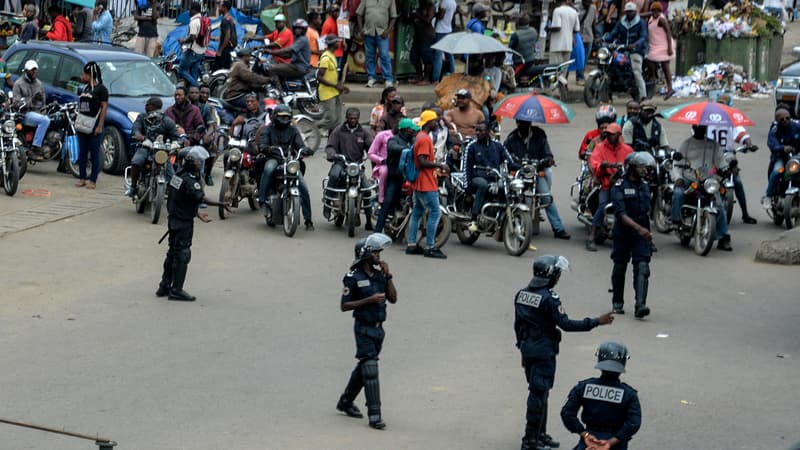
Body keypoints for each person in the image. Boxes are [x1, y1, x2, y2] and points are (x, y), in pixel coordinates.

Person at [514, 255, 614, 450]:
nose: (559, 277)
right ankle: (530, 440)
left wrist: (522, 351)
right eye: (558, 273)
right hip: (543, 352)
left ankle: (540, 435)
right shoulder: (550, 299)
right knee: (538, 394)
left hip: (529, 349)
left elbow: (518, 327)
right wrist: (596, 322)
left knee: (542, 393)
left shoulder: (521, 295)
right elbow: (566, 324)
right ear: (551, 275)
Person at [335, 233, 397, 429]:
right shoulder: (353, 277)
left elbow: (393, 298)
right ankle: (375, 415)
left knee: (364, 368)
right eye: (376, 253)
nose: (380, 256)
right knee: (370, 369)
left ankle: (345, 401)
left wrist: (388, 276)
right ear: (366, 255)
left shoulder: (380, 275)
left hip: (379, 330)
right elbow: (344, 306)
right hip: (363, 328)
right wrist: (367, 301)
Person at [157, 146, 229, 301]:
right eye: (198, 162)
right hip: (183, 223)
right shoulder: (190, 180)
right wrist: (221, 203)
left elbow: (180, 199)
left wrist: (196, 213)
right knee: (183, 254)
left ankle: (164, 286)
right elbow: (200, 198)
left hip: (174, 220)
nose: (199, 164)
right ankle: (176, 289)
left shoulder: (178, 175)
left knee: (172, 253)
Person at [560, 341, 642, 450]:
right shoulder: (629, 394)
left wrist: (585, 434)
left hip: (588, 442)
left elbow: (567, 413)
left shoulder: (583, 387)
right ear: (623, 362)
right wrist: (610, 442)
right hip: (616, 445)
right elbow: (633, 423)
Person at [505, 120, 571, 240]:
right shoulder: (511, 139)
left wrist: (547, 160)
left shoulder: (540, 137)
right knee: (510, 195)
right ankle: (507, 224)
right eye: (520, 123)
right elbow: (505, 154)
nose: (523, 125)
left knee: (546, 197)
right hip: (519, 173)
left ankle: (558, 228)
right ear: (517, 123)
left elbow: (548, 154)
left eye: (525, 123)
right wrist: (512, 163)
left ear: (530, 124)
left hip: (535, 173)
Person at [671, 125, 733, 251]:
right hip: (689, 179)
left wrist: (726, 170)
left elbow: (721, 161)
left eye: (703, 127)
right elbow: (676, 164)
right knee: (678, 194)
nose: (701, 129)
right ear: (694, 127)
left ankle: (724, 237)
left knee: (719, 205)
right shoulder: (686, 144)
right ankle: (676, 221)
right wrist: (678, 178)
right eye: (698, 126)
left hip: (707, 180)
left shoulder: (714, 145)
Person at [254, 104, 315, 230]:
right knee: (268, 168)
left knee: (303, 186)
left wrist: (305, 150)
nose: (284, 119)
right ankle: (262, 199)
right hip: (273, 158)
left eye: (286, 117)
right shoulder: (268, 129)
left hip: (289, 161)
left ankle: (308, 220)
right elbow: (263, 143)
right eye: (281, 116)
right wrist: (266, 147)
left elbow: (300, 144)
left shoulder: (293, 130)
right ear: (275, 117)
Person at [610, 151, 656, 317]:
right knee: (620, 266)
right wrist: (639, 229)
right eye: (641, 167)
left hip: (641, 235)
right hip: (624, 233)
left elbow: (647, 210)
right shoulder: (619, 186)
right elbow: (621, 215)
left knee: (643, 267)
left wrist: (646, 231)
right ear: (631, 168)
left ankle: (640, 305)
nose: (645, 170)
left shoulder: (644, 185)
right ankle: (617, 302)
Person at [706, 94, 758, 224]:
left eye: (724, 104)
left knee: (737, 181)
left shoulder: (731, 122)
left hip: (727, 156)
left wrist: (748, 144)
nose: (722, 106)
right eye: (720, 104)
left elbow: (743, 135)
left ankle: (745, 214)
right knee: (705, 179)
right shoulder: (706, 121)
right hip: (710, 156)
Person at [405, 110, 449, 258]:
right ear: (429, 122)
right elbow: (423, 161)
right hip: (426, 183)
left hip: (420, 182)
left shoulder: (420, 136)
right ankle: (430, 246)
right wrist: (439, 165)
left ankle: (412, 244)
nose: (436, 123)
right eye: (435, 121)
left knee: (417, 213)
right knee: (435, 212)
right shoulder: (424, 139)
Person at [324, 108, 375, 228]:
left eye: (355, 118)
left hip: (356, 165)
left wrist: (373, 155)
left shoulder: (364, 131)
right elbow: (330, 146)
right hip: (341, 163)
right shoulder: (338, 130)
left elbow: (371, 147)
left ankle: (368, 219)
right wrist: (332, 154)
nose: (353, 120)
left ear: (358, 118)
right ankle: (328, 202)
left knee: (367, 189)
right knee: (334, 175)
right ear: (346, 118)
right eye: (351, 118)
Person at [587, 123, 632, 251]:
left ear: (618, 135)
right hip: (606, 184)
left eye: (612, 134)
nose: (609, 136)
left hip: (623, 185)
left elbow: (633, 163)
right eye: (608, 134)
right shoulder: (600, 147)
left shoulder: (627, 149)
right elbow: (594, 163)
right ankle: (591, 236)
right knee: (603, 205)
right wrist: (602, 165)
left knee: (637, 204)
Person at [126, 97, 182, 198]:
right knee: (136, 162)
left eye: (147, 105)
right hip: (145, 147)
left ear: (153, 106)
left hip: (161, 151)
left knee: (172, 176)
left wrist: (174, 144)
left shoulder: (167, 121)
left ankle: (175, 195)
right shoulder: (142, 118)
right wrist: (140, 136)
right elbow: (136, 129)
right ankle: (133, 187)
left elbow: (176, 137)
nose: (145, 107)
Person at [464, 122, 518, 227]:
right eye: (477, 130)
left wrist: (522, 168)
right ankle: (474, 217)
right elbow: (466, 168)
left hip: (495, 178)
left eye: (481, 130)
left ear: (488, 132)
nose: (477, 133)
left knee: (507, 186)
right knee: (483, 184)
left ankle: (500, 216)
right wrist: (468, 189)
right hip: (477, 178)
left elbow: (510, 162)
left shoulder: (498, 145)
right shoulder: (472, 146)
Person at [375, 119, 419, 233]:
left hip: (410, 178)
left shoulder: (412, 140)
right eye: (411, 129)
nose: (413, 132)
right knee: (387, 202)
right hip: (396, 178)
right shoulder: (393, 140)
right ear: (404, 130)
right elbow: (393, 147)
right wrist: (407, 150)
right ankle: (377, 231)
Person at [604, 2, 647, 101]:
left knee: (636, 71)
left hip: (636, 50)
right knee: (611, 66)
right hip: (622, 49)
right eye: (627, 12)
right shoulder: (621, 22)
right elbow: (613, 33)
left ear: (635, 12)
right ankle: (609, 90)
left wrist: (635, 44)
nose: (629, 14)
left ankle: (642, 94)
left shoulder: (641, 22)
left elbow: (643, 36)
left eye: (631, 12)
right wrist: (605, 39)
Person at [75, 62, 108, 190]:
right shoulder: (85, 88)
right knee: (82, 152)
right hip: (82, 124)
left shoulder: (101, 89)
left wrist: (100, 125)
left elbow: (104, 107)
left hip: (94, 125)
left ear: (90, 75)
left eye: (83, 74)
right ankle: (82, 177)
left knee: (94, 154)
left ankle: (93, 179)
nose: (81, 76)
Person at [12, 60, 51, 161]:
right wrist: (31, 99)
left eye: (36, 70)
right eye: (32, 70)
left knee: (51, 119)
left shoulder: (39, 84)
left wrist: (44, 111)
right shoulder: (18, 84)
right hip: (25, 114)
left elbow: (43, 102)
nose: (34, 72)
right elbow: (16, 104)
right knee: (45, 120)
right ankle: (35, 147)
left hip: (38, 113)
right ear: (26, 71)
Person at [764, 107, 800, 208]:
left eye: (787, 118)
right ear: (777, 120)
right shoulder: (775, 128)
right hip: (780, 156)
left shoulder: (796, 126)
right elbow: (771, 142)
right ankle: (768, 196)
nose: (785, 121)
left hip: (796, 156)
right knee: (777, 171)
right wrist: (782, 148)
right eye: (782, 119)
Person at [356, 0, 398, 88]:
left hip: (382, 33)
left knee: (384, 55)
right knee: (369, 56)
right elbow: (359, 14)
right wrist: (361, 29)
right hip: (368, 32)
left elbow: (393, 16)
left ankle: (388, 80)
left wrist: (388, 31)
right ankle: (372, 78)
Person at [317, 36, 349, 136]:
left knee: (337, 121)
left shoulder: (332, 56)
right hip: (327, 93)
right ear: (332, 44)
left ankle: (332, 139)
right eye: (337, 42)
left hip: (334, 92)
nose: (338, 44)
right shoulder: (326, 58)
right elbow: (319, 77)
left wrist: (340, 87)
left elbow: (332, 76)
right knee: (330, 119)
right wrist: (335, 86)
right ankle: (311, 127)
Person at [189, 85, 221, 185]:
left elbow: (212, 125)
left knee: (212, 147)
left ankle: (207, 174)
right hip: (187, 133)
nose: (204, 95)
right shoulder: (184, 105)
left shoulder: (207, 108)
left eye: (207, 93)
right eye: (202, 92)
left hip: (202, 133)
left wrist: (210, 136)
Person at [267, 19, 312, 87]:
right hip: (295, 65)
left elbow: (289, 50)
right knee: (277, 66)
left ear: (304, 30)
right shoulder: (297, 38)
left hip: (299, 67)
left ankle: (279, 92)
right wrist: (275, 54)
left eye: (300, 29)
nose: (297, 30)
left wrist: (271, 52)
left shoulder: (302, 39)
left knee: (272, 69)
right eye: (296, 28)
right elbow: (288, 55)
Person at [646, 1, 674, 99]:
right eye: (653, 11)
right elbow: (644, 14)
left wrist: (669, 48)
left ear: (660, 11)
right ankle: (652, 84)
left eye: (657, 11)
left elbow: (668, 33)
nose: (655, 13)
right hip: (654, 46)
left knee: (665, 67)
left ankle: (670, 89)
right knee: (649, 62)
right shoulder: (651, 17)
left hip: (664, 45)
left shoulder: (661, 19)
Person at [177, 2, 207, 87]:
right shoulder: (203, 20)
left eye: (190, 9)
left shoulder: (194, 22)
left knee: (182, 70)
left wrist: (183, 41)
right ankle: (193, 91)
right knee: (194, 73)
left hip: (193, 51)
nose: (188, 11)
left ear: (193, 10)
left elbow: (192, 37)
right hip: (201, 51)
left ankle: (196, 87)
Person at [410, 0, 435, 85]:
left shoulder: (430, 6)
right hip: (418, 35)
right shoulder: (418, 7)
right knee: (414, 56)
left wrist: (417, 15)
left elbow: (428, 20)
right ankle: (419, 76)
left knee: (427, 57)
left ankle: (426, 79)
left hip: (427, 36)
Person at [548, 0, 581, 66]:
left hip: (557, 46)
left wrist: (547, 28)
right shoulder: (574, 12)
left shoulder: (558, 10)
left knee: (554, 70)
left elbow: (557, 27)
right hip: (568, 46)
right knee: (563, 70)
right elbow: (577, 29)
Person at [431, 0, 456, 83]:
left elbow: (441, 16)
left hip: (440, 30)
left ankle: (435, 78)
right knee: (449, 54)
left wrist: (434, 12)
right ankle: (452, 74)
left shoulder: (444, 2)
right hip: (448, 29)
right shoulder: (453, 2)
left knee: (438, 55)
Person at [576, 0, 598, 86]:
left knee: (585, 59)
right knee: (580, 58)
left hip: (589, 37)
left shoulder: (593, 8)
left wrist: (596, 36)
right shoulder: (577, 8)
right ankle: (580, 77)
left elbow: (593, 23)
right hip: (579, 36)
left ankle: (580, 76)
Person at [321, 2, 345, 70]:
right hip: (332, 52)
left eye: (338, 11)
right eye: (335, 11)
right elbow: (322, 39)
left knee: (338, 69)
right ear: (331, 13)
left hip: (340, 50)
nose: (337, 13)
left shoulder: (341, 21)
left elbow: (343, 34)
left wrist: (344, 42)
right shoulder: (327, 24)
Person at [215, 0, 237, 70]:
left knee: (217, 71)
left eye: (220, 6)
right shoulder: (230, 18)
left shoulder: (226, 20)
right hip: (228, 48)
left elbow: (227, 37)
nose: (218, 8)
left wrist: (220, 51)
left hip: (225, 50)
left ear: (225, 8)